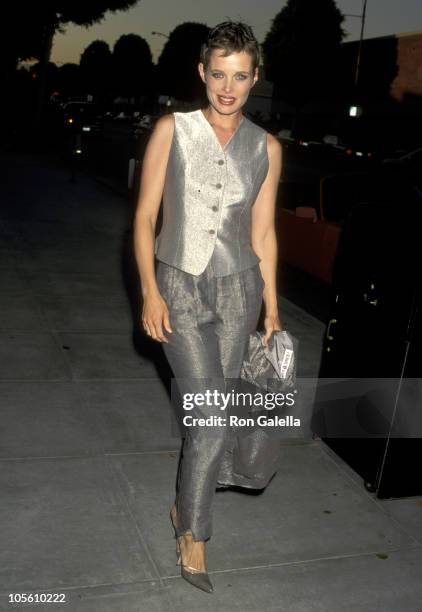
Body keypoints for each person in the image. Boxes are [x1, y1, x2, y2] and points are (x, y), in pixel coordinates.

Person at [133, 20, 283, 593]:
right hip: (179, 288)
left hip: (241, 289)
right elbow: (146, 216)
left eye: (239, 77)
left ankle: (183, 510)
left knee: (218, 416)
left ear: (254, 79)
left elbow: (264, 234)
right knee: (210, 414)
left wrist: (271, 307)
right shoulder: (173, 130)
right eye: (218, 74)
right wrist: (149, 290)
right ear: (202, 72)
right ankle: (193, 531)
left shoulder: (266, 147)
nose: (227, 87)